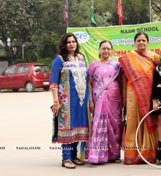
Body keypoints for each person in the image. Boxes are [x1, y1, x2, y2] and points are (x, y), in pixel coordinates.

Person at [118, 31, 160, 165]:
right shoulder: (129, 57)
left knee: (148, 120)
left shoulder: (154, 57)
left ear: (148, 42)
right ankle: (132, 154)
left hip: (149, 94)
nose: (141, 42)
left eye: (144, 40)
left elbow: (159, 76)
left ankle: (149, 153)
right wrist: (124, 97)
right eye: (139, 40)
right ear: (134, 42)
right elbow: (123, 79)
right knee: (133, 121)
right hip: (132, 94)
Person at [50, 33, 89, 169]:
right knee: (67, 128)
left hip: (81, 101)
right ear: (64, 45)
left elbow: (86, 78)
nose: (72, 44)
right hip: (66, 102)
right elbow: (53, 83)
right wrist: (56, 101)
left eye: (74, 41)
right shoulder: (59, 60)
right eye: (69, 42)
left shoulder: (81, 58)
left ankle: (73, 156)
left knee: (77, 128)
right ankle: (66, 158)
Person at [86, 40, 122, 164]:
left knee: (115, 125)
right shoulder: (93, 65)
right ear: (99, 50)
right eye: (104, 48)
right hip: (98, 97)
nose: (106, 51)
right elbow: (89, 83)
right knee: (98, 124)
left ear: (111, 51)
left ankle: (114, 154)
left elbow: (122, 82)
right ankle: (97, 154)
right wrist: (90, 100)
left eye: (108, 49)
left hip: (114, 98)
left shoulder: (116, 65)